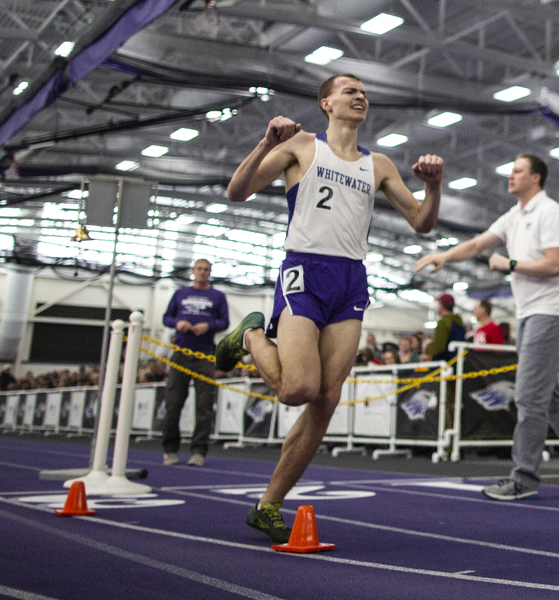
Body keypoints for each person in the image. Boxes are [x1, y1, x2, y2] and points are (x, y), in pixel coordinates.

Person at [214, 73, 443, 543]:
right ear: (326, 104)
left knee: (327, 398)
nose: (359, 96)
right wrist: (263, 144)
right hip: (304, 270)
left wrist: (434, 186)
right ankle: (252, 335)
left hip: (350, 279)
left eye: (363, 92)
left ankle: (269, 505)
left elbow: (421, 222)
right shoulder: (300, 147)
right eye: (348, 91)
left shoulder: (378, 164)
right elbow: (237, 192)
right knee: (297, 389)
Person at [416, 154, 559, 500]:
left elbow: (555, 265)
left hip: (549, 312)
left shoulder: (548, 212)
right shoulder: (514, 215)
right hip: (529, 313)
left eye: (518, 170)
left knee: (527, 396)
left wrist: (510, 264)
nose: (510, 175)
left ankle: (524, 479)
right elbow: (478, 244)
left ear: (535, 178)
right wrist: (444, 256)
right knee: (547, 395)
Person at [160, 259, 229, 467]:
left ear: (210, 273)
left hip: (205, 355)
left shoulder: (218, 296)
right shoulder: (180, 294)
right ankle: (170, 450)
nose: (202, 272)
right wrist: (177, 323)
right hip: (180, 353)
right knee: (173, 404)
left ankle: (199, 451)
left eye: (206, 270)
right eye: (199, 269)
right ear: (192, 271)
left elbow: (224, 322)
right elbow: (166, 318)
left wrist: (209, 326)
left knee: (204, 406)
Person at [425, 294, 466, 361]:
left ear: (441, 305)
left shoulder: (443, 323)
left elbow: (439, 347)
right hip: (457, 363)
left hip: (444, 365)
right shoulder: (459, 323)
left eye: (438, 304)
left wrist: (427, 348)